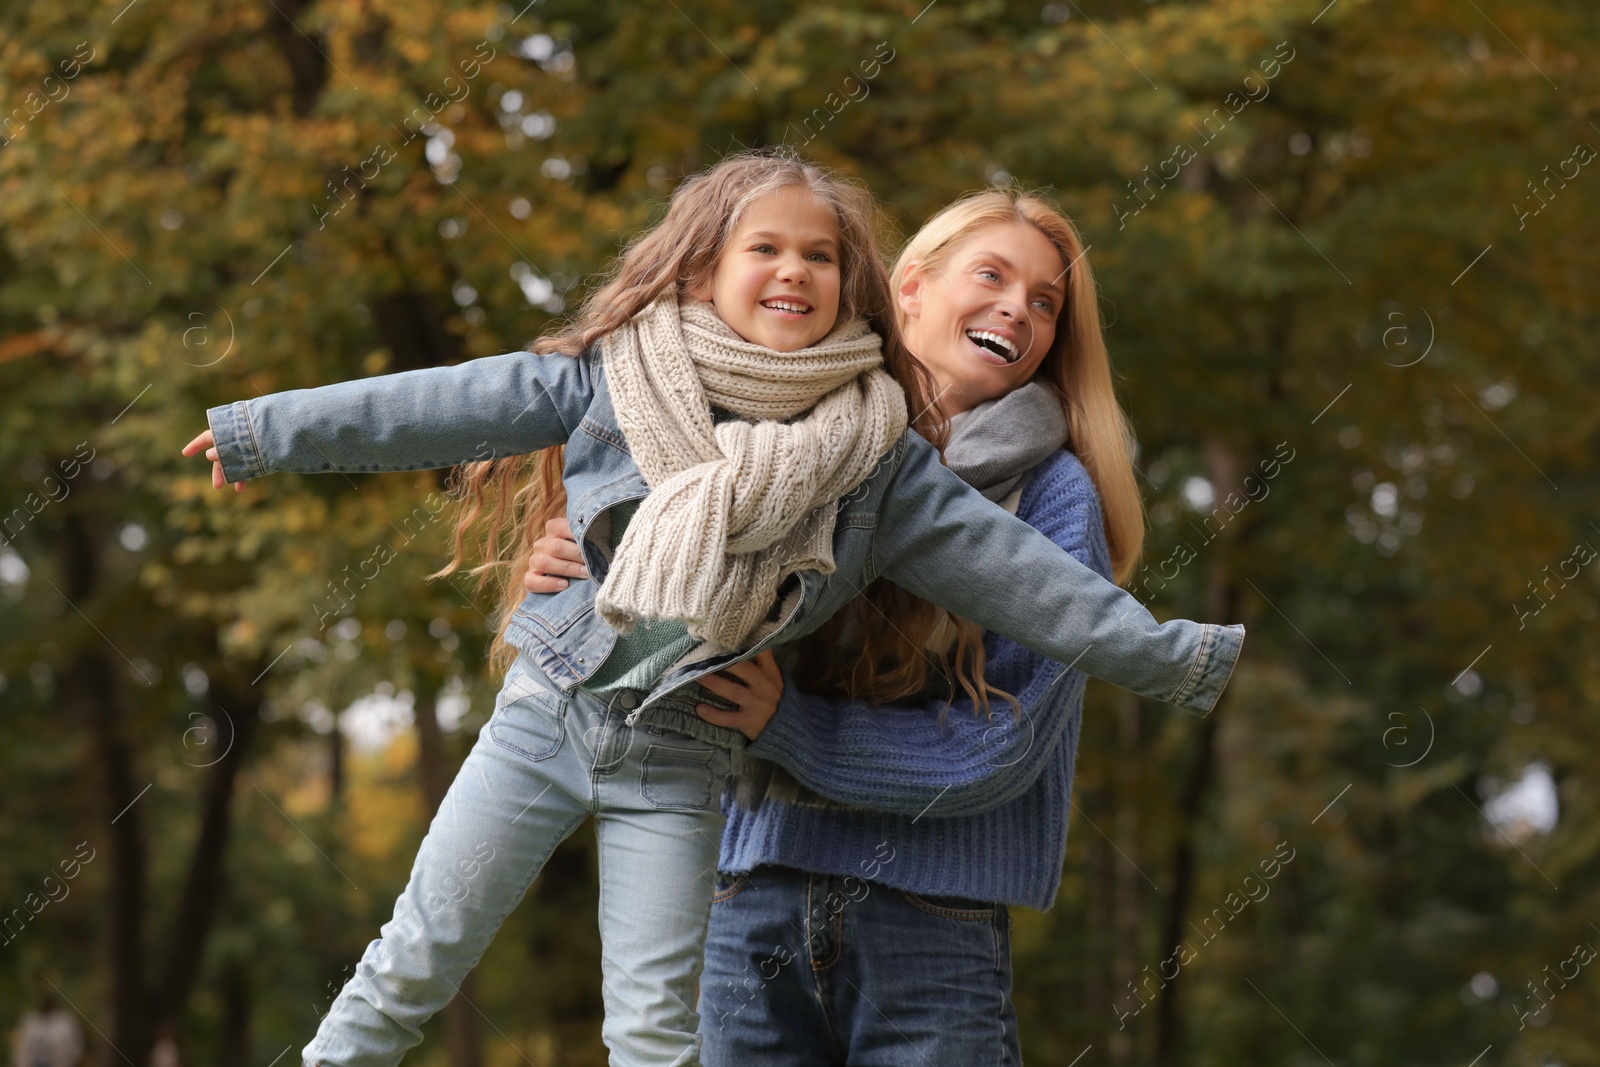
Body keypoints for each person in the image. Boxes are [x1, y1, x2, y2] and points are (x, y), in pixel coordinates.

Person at [183, 151, 1242, 1067]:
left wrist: (1168, 654)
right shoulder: (624, 375)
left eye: (821, 257)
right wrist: (261, 432)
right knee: (415, 953)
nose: (794, 270)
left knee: (653, 1034)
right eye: (765, 250)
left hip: (703, 776)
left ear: (856, 284)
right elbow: (448, 400)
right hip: (568, 727)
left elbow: (1029, 585)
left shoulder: (880, 461)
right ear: (705, 267)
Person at [523, 189, 1182, 1062]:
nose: (1019, 308)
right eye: (992, 275)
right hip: (748, 892)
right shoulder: (781, 435)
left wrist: (791, 725)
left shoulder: (1054, 497)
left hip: (930, 919)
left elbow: (1009, 742)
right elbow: (665, 616)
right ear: (909, 286)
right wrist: (575, 571)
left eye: (1047, 303)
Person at [10, 995, 84, 1067]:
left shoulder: (66, 1022)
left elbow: (75, 1045)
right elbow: (21, 1045)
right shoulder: (30, 1021)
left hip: (58, 1062)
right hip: (34, 1062)